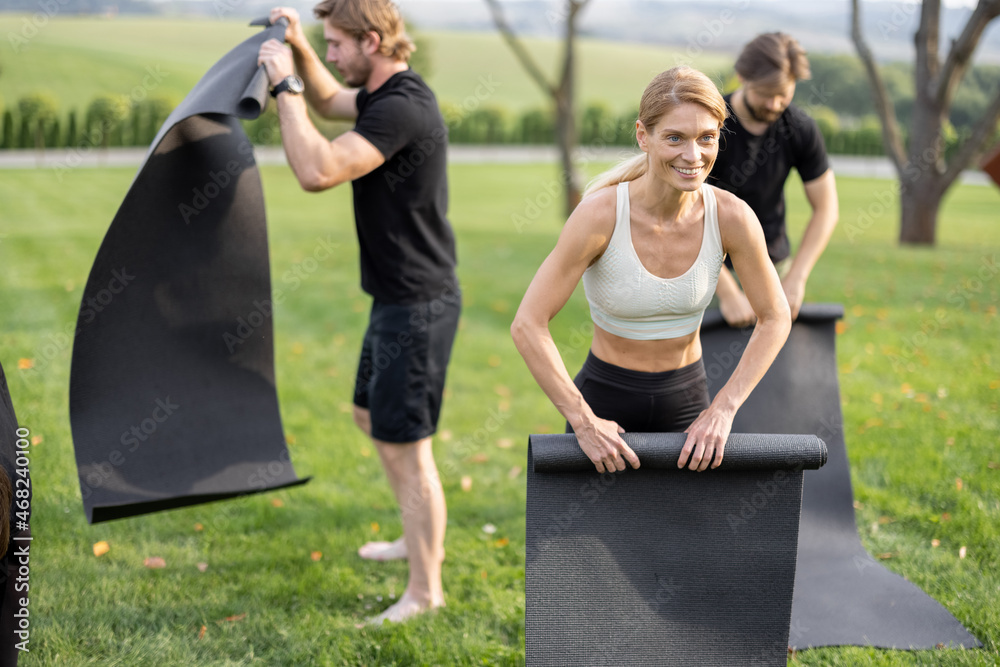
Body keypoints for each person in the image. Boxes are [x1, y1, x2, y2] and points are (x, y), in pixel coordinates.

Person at [258, 0, 459, 624]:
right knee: (371, 417)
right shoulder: (380, 89)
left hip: (418, 304)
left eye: (338, 44)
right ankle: (413, 531)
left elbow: (318, 170)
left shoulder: (401, 106)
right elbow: (327, 101)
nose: (333, 55)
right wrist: (301, 49)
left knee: (408, 447)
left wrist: (284, 82)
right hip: (396, 297)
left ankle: (426, 591)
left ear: (371, 40)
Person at [511, 67, 791, 473]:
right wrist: (583, 420)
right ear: (644, 136)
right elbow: (528, 324)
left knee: (683, 537)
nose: (693, 156)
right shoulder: (600, 216)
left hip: (688, 404)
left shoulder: (732, 217)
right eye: (675, 138)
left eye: (706, 138)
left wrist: (723, 410)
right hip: (603, 402)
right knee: (588, 538)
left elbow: (775, 316)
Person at [708, 32, 839, 327]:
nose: (775, 103)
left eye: (785, 93)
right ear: (742, 77)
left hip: (772, 266)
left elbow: (826, 208)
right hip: (704, 268)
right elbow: (682, 215)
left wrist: (797, 277)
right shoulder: (711, 128)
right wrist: (727, 291)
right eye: (766, 93)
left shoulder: (801, 129)